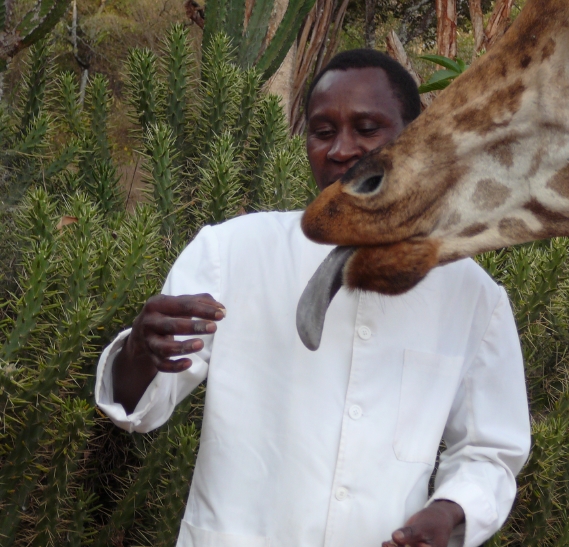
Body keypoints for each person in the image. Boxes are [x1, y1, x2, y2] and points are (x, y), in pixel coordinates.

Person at [95, 49, 531, 547]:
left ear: (416, 136)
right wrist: (138, 352)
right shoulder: (232, 252)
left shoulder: (471, 296)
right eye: (323, 131)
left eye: (367, 128)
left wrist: (449, 512)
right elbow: (142, 405)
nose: (342, 149)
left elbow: (490, 452)